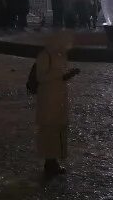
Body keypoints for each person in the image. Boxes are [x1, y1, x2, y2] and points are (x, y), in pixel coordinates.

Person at [28, 31, 80, 177]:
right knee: (49, 130)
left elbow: (58, 75)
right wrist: (62, 75)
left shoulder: (60, 55)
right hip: (48, 98)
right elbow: (42, 77)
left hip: (58, 97)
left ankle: (54, 160)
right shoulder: (45, 55)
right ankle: (49, 161)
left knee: (57, 129)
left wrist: (68, 75)